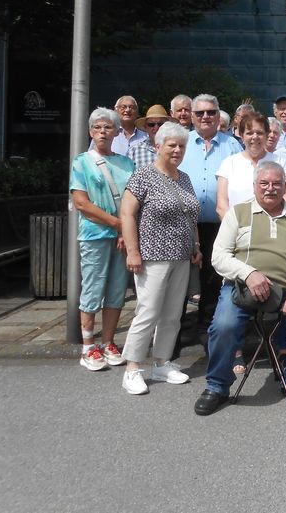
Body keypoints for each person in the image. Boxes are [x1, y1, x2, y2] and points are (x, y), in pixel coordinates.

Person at [195, 162, 286, 414]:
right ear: (254, 186)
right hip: (242, 287)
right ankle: (217, 385)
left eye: (276, 184)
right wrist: (248, 273)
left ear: (284, 186)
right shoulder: (237, 213)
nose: (270, 189)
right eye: (264, 183)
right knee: (224, 325)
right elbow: (218, 256)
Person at [118, 122, 202, 394]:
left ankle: (163, 362)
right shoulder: (143, 176)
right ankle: (132, 367)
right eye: (172, 145)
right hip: (152, 256)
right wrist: (133, 251)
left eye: (181, 146)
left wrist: (196, 245)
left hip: (181, 256)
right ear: (158, 146)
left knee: (172, 314)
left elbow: (191, 215)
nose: (177, 150)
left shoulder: (185, 178)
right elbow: (127, 214)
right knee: (148, 311)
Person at [69, 108, 136, 371]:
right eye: (97, 127)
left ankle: (108, 342)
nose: (102, 132)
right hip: (95, 235)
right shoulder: (81, 161)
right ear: (90, 131)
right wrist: (119, 225)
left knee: (117, 289)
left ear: (117, 131)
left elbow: (133, 201)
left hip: (122, 236)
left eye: (108, 127)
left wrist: (124, 231)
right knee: (92, 288)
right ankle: (88, 346)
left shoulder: (126, 163)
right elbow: (81, 202)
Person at [180, 93, 242, 335]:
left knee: (214, 277)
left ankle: (208, 327)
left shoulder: (232, 145)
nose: (206, 116)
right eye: (200, 113)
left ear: (218, 116)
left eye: (211, 112)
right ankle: (174, 331)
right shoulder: (181, 142)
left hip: (220, 224)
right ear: (192, 117)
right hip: (184, 224)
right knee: (180, 278)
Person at [216, 113, 286, 219]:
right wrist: (237, 228)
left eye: (260, 133)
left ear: (266, 135)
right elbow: (222, 206)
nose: (255, 137)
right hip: (238, 229)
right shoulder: (228, 164)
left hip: (274, 228)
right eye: (249, 133)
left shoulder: (280, 163)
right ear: (242, 136)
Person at [127, 105, 172, 169]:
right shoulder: (134, 151)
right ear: (145, 127)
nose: (156, 128)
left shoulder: (176, 148)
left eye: (160, 124)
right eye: (151, 125)